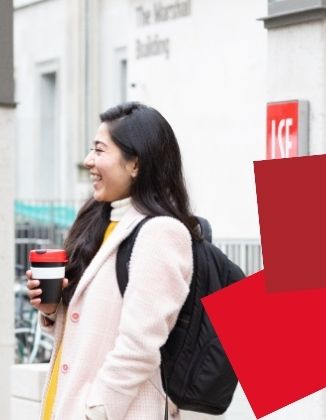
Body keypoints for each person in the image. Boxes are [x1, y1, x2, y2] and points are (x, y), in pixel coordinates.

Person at [26, 102, 199, 420]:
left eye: (100, 150)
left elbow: (139, 346)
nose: (89, 161)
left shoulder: (161, 233)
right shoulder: (98, 222)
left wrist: (97, 412)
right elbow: (93, 331)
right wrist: (52, 310)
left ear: (135, 163)